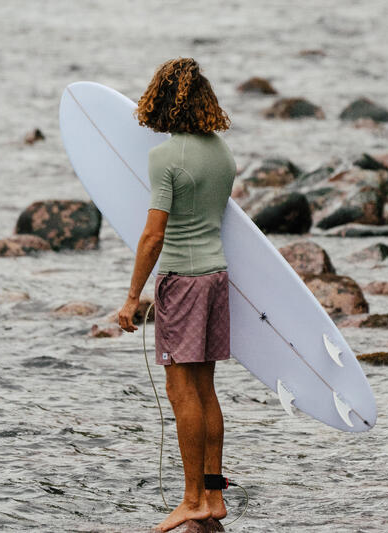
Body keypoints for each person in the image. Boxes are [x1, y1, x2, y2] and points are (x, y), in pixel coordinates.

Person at [117, 57, 236, 532]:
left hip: (182, 283)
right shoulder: (221, 153)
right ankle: (213, 496)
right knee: (205, 388)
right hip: (216, 277)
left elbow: (152, 236)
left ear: (163, 103)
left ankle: (191, 501)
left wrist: (132, 298)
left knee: (180, 389)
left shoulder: (165, 158)